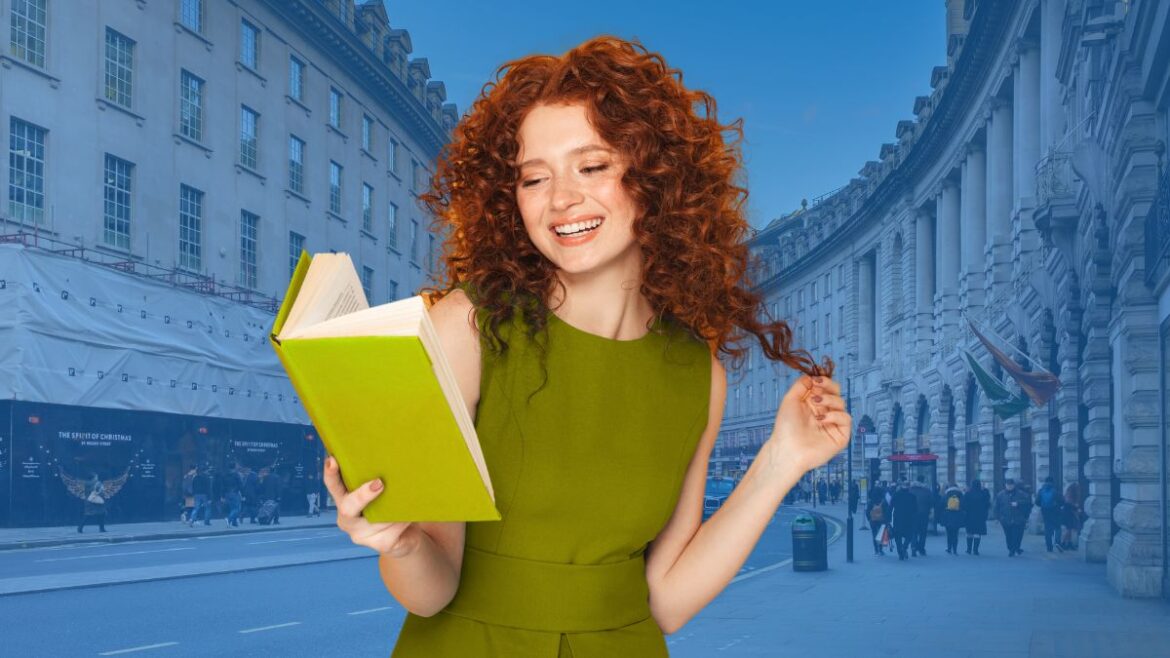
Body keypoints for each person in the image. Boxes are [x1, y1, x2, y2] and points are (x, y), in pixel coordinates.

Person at [321, 36, 853, 657]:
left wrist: (782, 460)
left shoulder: (695, 372)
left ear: (655, 177)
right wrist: (400, 540)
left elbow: (666, 602)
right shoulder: (467, 327)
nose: (560, 199)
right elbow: (430, 594)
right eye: (533, 178)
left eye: (592, 166)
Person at [994, 478, 1031, 556]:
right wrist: (997, 518)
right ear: (1005, 485)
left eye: (1011, 485)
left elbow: (1028, 504)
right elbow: (997, 507)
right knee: (1008, 535)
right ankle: (1011, 548)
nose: (1009, 487)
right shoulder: (1001, 495)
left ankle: (1013, 550)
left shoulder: (1021, 494)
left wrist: (1018, 504)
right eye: (1008, 485)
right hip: (1005, 519)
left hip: (1019, 519)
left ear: (1014, 485)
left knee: (1017, 535)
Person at [1034, 476, 1064, 552]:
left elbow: (1037, 502)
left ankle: (1049, 547)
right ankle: (1057, 542)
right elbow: (1062, 501)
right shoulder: (1055, 490)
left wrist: (1043, 506)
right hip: (1056, 512)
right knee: (1057, 527)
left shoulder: (1041, 490)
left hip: (1045, 512)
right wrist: (1058, 505)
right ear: (1052, 481)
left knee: (1048, 530)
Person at [890, 479, 918, 561]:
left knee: (897, 536)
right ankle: (904, 547)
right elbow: (915, 509)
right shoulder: (912, 496)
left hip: (897, 519)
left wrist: (888, 519)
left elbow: (891, 507)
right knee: (909, 535)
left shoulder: (895, 495)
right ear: (908, 487)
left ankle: (900, 553)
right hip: (909, 519)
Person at [962, 479, 990, 555]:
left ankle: (968, 549)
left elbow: (963, 505)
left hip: (969, 516)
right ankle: (975, 550)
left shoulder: (968, 494)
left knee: (969, 533)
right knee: (977, 533)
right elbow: (987, 504)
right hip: (980, 517)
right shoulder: (983, 494)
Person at [909, 476, 935, 556]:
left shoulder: (910, 490)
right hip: (924, 514)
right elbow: (932, 502)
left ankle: (913, 547)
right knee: (923, 532)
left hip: (913, 514)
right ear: (923, 481)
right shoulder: (927, 491)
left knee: (914, 531)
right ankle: (921, 549)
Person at [939, 483, 964, 554]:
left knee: (949, 533)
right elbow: (963, 505)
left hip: (947, 516)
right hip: (957, 517)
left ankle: (949, 548)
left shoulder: (946, 495)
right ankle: (955, 550)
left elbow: (941, 504)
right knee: (955, 534)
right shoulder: (960, 495)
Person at [1060, 481, 1083, 550]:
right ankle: (1063, 543)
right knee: (1068, 529)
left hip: (1067, 514)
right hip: (1069, 515)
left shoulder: (1068, 493)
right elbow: (1069, 504)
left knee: (1069, 529)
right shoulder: (1070, 495)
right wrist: (1076, 507)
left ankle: (1069, 543)